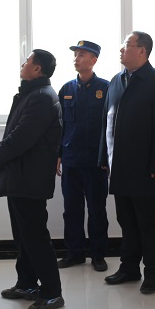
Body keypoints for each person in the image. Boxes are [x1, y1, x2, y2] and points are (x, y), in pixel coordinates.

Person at [0, 49, 65, 309]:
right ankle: (27, 284)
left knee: (35, 237)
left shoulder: (42, 97)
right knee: (23, 236)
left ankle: (52, 293)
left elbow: (21, 138)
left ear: (37, 68)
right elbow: (11, 133)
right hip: (21, 176)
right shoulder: (33, 94)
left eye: (28, 61)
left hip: (29, 180)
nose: (23, 63)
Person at [99, 31, 155, 294]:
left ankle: (153, 274)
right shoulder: (115, 81)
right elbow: (106, 122)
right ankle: (129, 268)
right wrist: (103, 157)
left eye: (127, 45)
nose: (121, 50)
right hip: (117, 166)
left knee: (148, 222)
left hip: (144, 168)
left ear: (142, 51)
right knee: (126, 220)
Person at [56, 40, 110, 272]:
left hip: (96, 162)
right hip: (71, 160)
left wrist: (107, 158)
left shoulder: (106, 88)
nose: (76, 59)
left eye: (81, 55)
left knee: (97, 210)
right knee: (71, 210)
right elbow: (60, 126)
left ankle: (98, 254)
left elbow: (111, 126)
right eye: (75, 55)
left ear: (94, 60)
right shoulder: (66, 89)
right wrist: (58, 154)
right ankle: (74, 253)